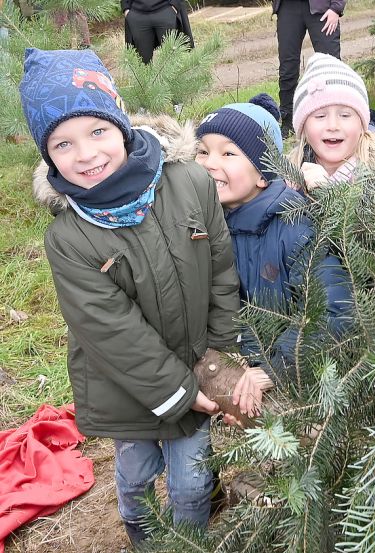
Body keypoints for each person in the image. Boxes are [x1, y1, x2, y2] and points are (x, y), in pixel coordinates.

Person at [19, 48, 239, 547]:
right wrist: (180, 392)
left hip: (199, 367)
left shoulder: (190, 183)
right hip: (127, 389)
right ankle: (142, 536)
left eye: (98, 131)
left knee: (190, 483)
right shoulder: (70, 239)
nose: (87, 154)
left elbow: (221, 270)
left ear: (121, 122)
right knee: (137, 476)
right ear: (48, 155)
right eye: (63, 144)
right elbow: (110, 331)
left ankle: (189, 539)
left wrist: (220, 357)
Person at [195, 93, 354, 403]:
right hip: (237, 360)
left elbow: (335, 308)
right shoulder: (202, 224)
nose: (209, 163)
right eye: (202, 151)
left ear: (263, 176)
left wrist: (275, 366)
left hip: (293, 365)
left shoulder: (295, 228)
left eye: (228, 154)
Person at [289, 53, 375, 190]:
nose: (333, 126)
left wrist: (328, 192)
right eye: (320, 116)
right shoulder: (288, 181)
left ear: (362, 125)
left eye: (345, 115)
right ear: (303, 128)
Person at [274, 0, 346, 136]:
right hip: (288, 8)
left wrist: (336, 8)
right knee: (287, 69)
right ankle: (288, 122)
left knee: (331, 67)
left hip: (322, 8)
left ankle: (336, 117)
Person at [122, 0, 195, 64]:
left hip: (166, 10)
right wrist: (125, 7)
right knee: (143, 64)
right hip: (137, 14)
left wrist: (175, 4)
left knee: (172, 59)